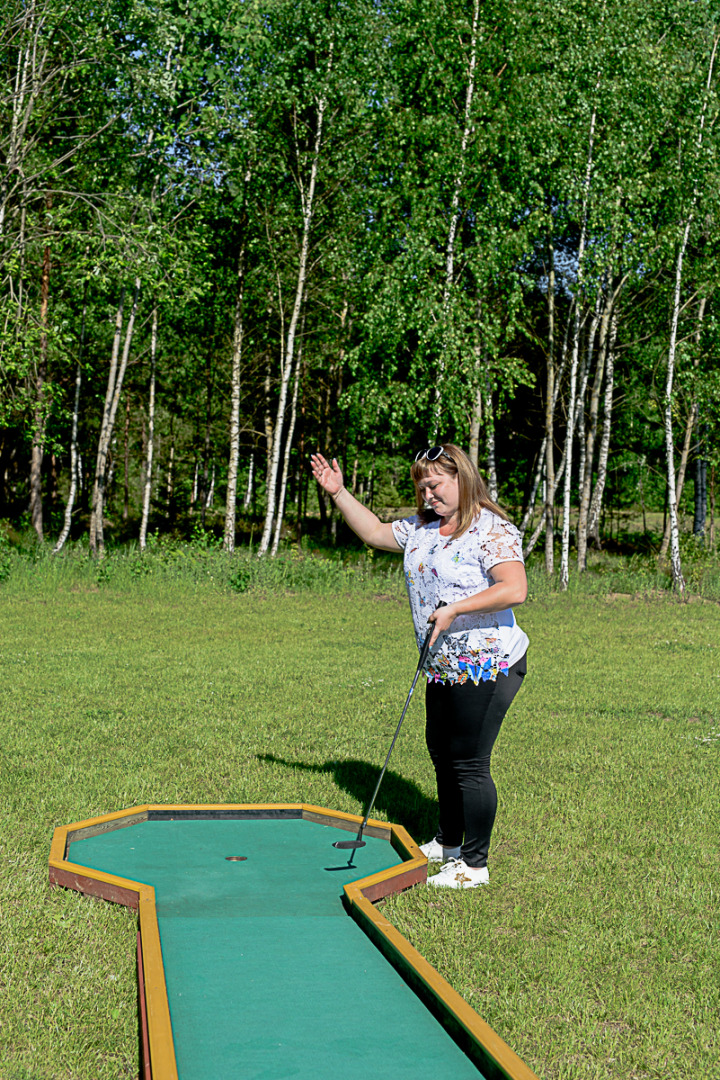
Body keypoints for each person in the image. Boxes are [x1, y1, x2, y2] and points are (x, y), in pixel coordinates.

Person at [311, 444, 528, 889]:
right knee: (441, 753)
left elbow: (514, 589)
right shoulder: (423, 529)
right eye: (422, 487)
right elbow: (373, 532)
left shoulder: (492, 529)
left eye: (436, 485)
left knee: (468, 761)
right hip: (441, 662)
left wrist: (455, 609)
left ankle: (473, 865)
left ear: (462, 480)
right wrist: (338, 493)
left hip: (487, 662)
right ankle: (448, 842)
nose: (428, 494)